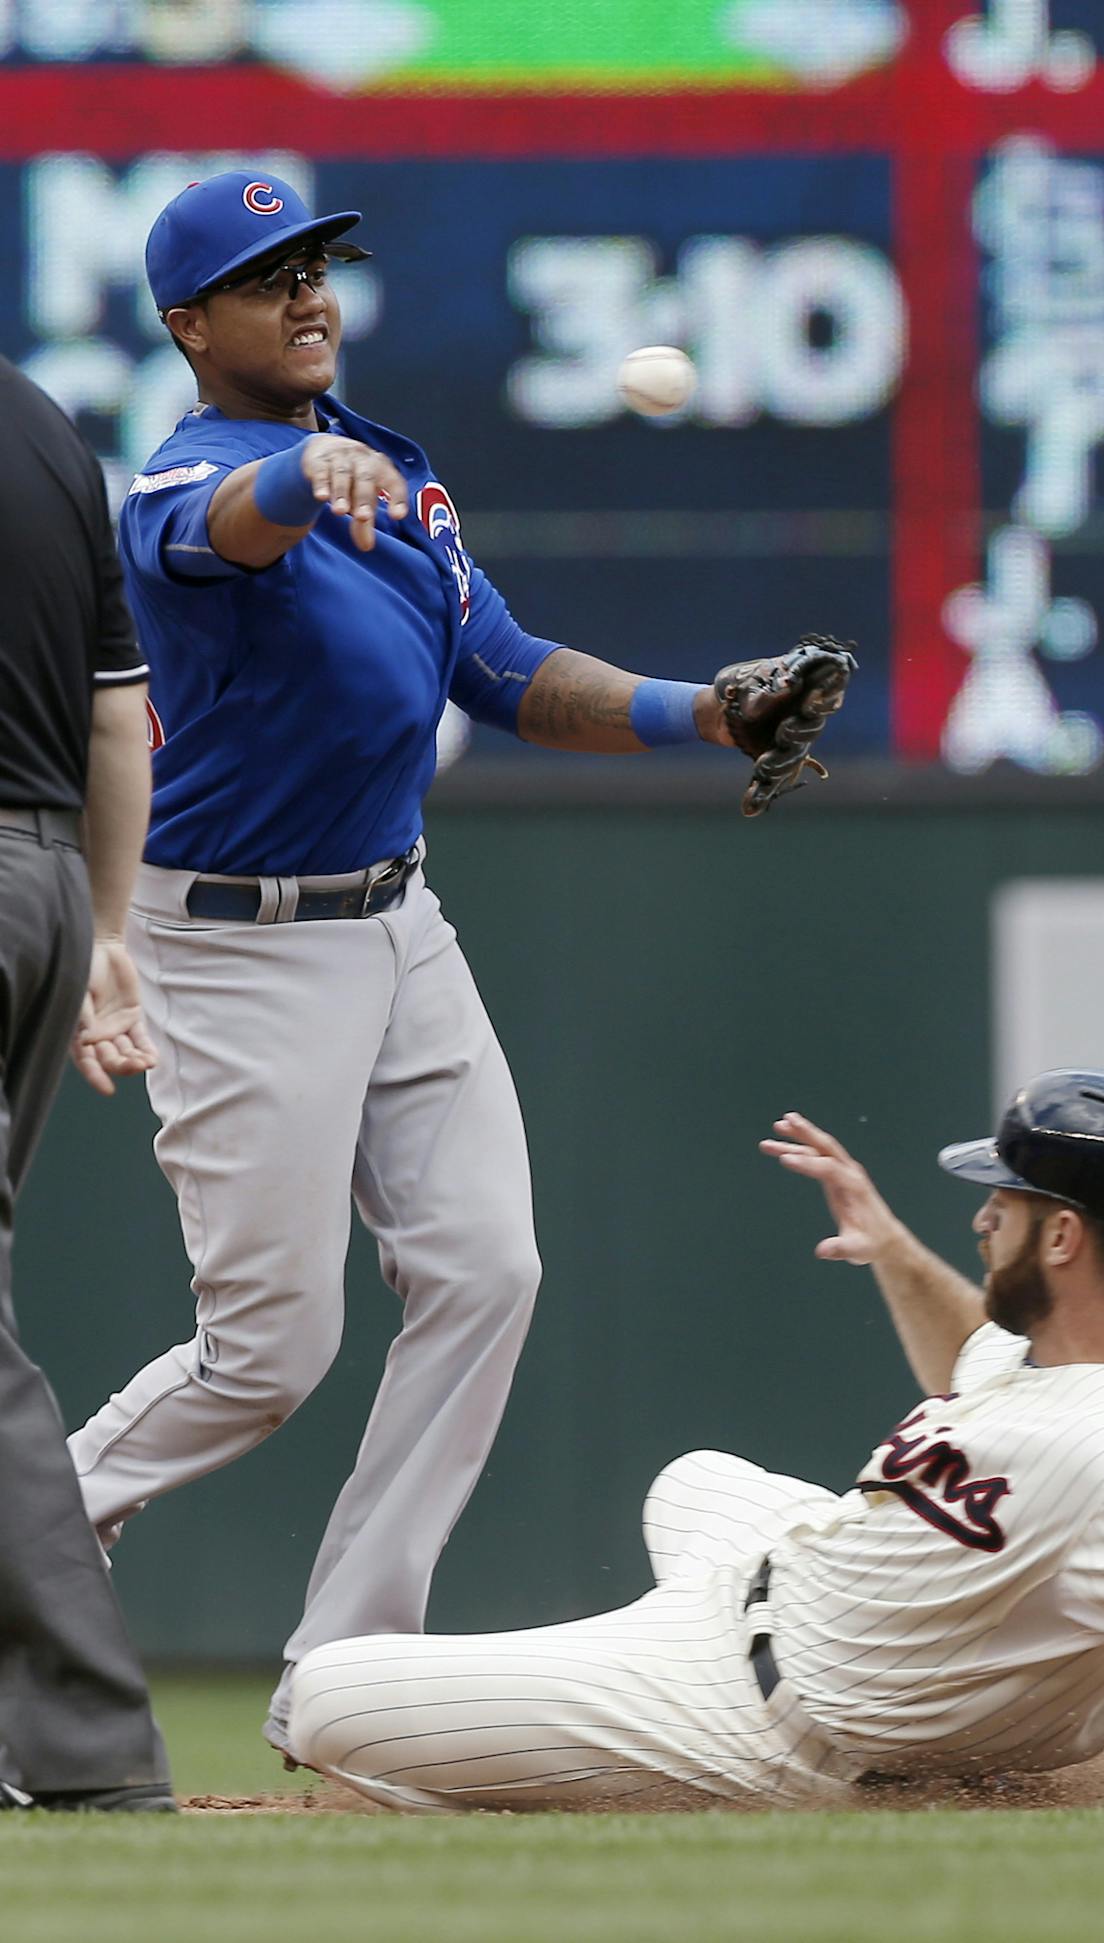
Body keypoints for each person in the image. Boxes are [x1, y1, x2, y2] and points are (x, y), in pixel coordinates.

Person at [65, 170, 814, 1765]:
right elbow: (213, 531)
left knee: (488, 1269)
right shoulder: (190, 479)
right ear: (193, 324)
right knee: (268, 1349)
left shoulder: (399, 476)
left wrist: (714, 708)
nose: (309, 295)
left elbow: (515, 670)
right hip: (236, 942)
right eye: (268, 279)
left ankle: (344, 1673)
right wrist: (295, 481)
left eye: (319, 267)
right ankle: (34, 1533)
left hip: (399, 920)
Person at [287, 1071, 1104, 1813]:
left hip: (746, 1709)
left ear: (1064, 1234)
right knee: (693, 1479)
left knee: (329, 1695)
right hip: (769, 1585)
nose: (983, 1214)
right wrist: (887, 1246)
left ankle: (608, 1789)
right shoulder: (1055, 1368)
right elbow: (970, 1354)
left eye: (1007, 1201)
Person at [0, 355, 174, 1813]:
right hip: (47, 880)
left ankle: (87, 1740)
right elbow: (122, 719)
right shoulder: (45, 428)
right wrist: (105, 930)